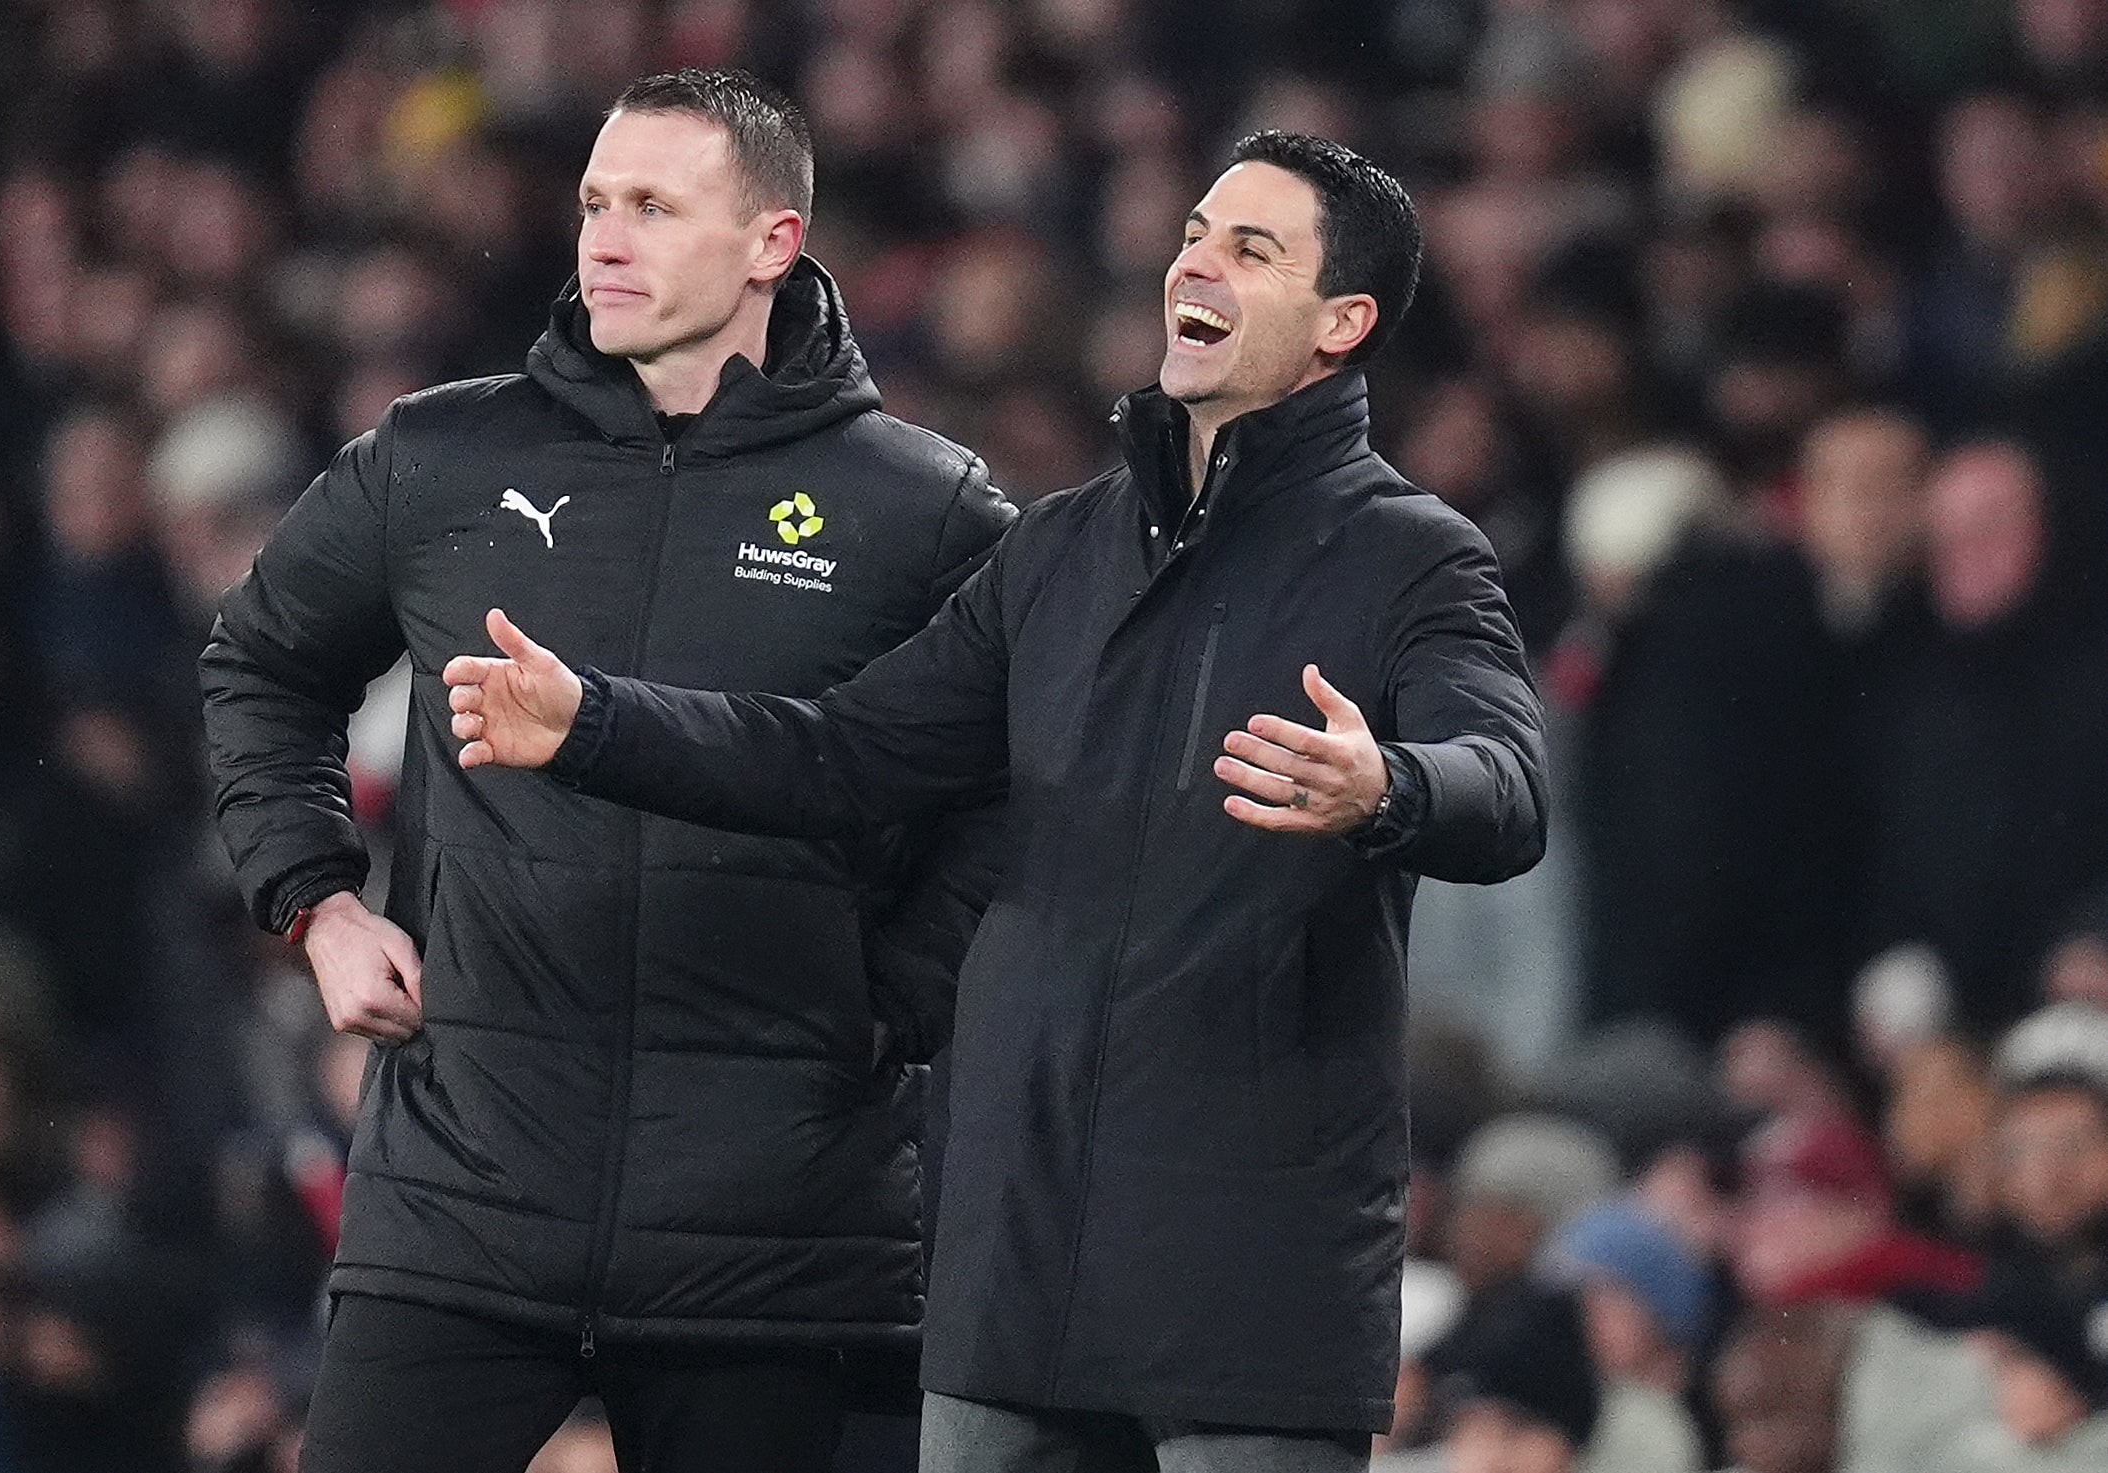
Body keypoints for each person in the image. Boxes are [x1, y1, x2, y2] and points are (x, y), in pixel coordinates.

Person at [445, 130, 1550, 1469]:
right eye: (1194, 232)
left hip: (1247, 1261)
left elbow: (1506, 787)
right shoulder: (1058, 550)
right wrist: (594, 722)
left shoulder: (1410, 558)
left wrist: (1390, 784)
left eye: (1250, 249)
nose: (1194, 260)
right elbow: (838, 755)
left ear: (1342, 322)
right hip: (1012, 1246)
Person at [198, 69, 1014, 1473]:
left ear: (771, 240)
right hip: (465, 1192)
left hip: (776, 1227)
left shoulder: (923, 509)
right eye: (592, 203)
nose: (605, 240)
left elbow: (1006, 779)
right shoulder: (442, 457)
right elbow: (260, 664)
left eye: (652, 205)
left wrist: (890, 997)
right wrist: (318, 902)